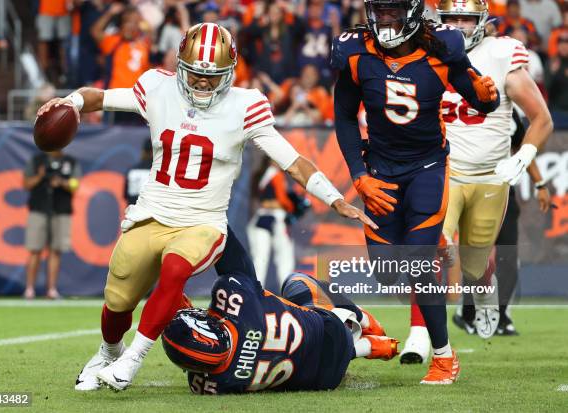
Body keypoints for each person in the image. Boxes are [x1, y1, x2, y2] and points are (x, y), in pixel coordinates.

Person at [38, 22, 373, 391]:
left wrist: (334, 197)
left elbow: (292, 162)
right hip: (151, 213)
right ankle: (108, 352)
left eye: (212, 77)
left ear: (229, 73)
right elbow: (98, 97)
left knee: (175, 269)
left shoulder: (246, 106)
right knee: (118, 299)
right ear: (182, 65)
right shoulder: (157, 87)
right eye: (196, 74)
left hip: (203, 221)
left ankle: (132, 359)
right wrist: (70, 101)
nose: (202, 83)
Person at [331, 0, 500, 384]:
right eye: (379, 11)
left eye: (393, 11)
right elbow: (343, 115)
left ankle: (443, 357)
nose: (384, 19)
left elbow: (480, 100)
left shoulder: (442, 49)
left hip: (427, 168)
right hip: (380, 173)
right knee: (388, 273)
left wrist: (488, 96)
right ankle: (431, 251)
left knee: (419, 264)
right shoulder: (356, 52)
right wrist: (359, 175)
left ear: (411, 12)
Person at [400, 0, 553, 362]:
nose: (456, 26)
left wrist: (524, 156)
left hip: (489, 177)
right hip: (440, 170)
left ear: (482, 21)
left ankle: (484, 288)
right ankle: (420, 335)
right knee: (429, 248)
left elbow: (541, 117)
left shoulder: (503, 54)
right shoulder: (422, 52)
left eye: (465, 19)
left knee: (474, 263)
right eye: (450, 18)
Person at [161, 227, 398, 394]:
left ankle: (369, 347)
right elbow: (229, 249)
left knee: (305, 357)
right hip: (330, 330)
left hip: (323, 379)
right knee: (295, 283)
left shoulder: (211, 385)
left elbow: (196, 352)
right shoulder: (237, 301)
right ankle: (360, 318)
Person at [452, 111, 552, 337]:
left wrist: (540, 183)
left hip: (503, 191)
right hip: (470, 190)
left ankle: (502, 314)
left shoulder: (509, 113)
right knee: (475, 257)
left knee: (508, 257)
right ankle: (468, 313)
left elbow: (522, 148)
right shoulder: (460, 104)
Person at [22, 150, 82, 299]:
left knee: (56, 251)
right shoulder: (37, 160)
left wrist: (61, 182)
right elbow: (26, 184)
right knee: (35, 250)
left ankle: (51, 289)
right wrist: (40, 176)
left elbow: (75, 184)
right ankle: (29, 289)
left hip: (61, 210)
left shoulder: (70, 161)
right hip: (39, 209)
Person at [247, 156, 310, 290]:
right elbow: (282, 200)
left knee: (259, 259)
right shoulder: (275, 173)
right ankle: (289, 291)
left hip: (262, 216)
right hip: (276, 217)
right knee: (284, 258)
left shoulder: (262, 174)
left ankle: (255, 292)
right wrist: (295, 206)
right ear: (271, 160)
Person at [91, 3, 151, 125]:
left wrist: (140, 18)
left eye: (134, 23)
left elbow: (150, 31)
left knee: (135, 137)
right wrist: (110, 13)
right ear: (121, 25)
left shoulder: (144, 44)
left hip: (137, 101)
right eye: (127, 22)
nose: (130, 26)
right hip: (116, 100)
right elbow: (95, 31)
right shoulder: (113, 42)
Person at [36, 0, 72, 84]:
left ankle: (64, 71)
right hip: (46, 10)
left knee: (64, 43)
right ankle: (43, 72)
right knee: (43, 40)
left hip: (64, 11)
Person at [124, 138, 153, 206]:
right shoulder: (161, 172)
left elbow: (125, 195)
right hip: (152, 214)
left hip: (133, 213)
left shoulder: (132, 170)